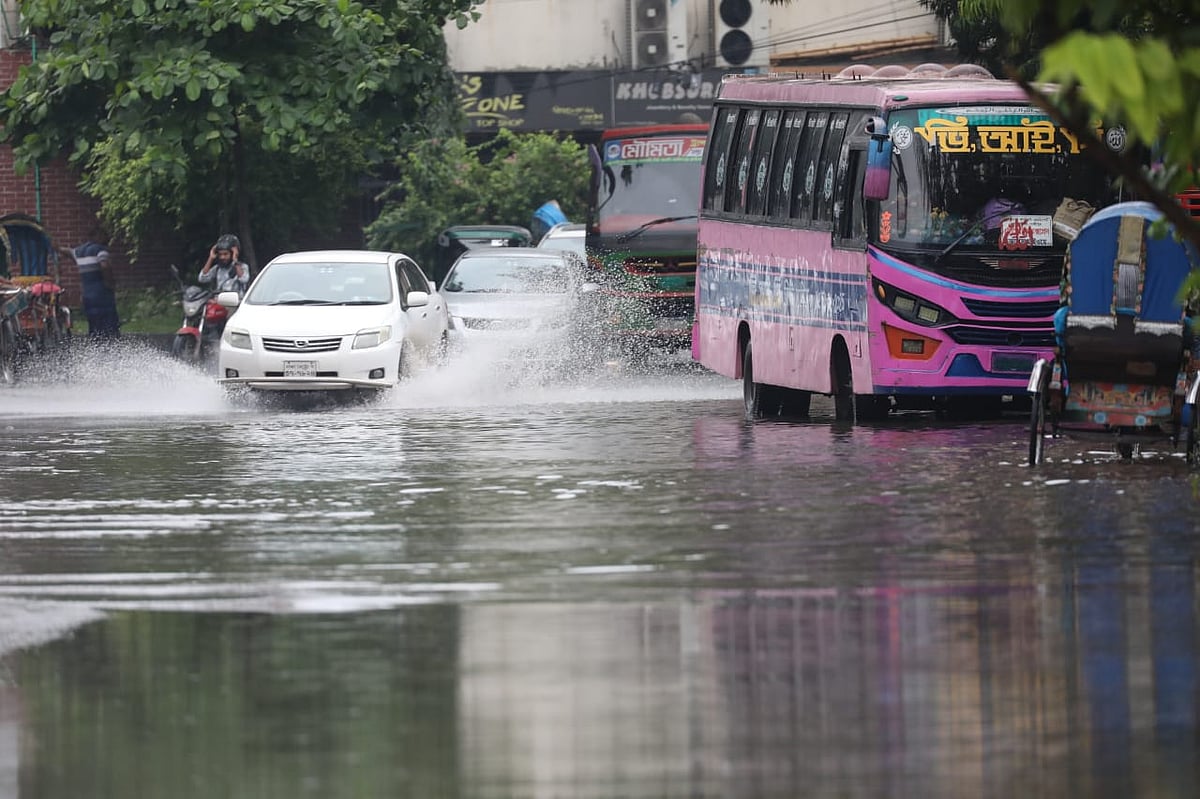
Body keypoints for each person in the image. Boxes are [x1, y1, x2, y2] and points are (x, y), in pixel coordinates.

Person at [59, 239, 120, 339]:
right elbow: (104, 265)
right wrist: (110, 282)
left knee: (94, 326)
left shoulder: (78, 252)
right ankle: (112, 348)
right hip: (102, 293)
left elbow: (66, 251)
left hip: (87, 295)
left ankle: (95, 349)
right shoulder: (100, 250)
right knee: (109, 326)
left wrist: (54, 245)